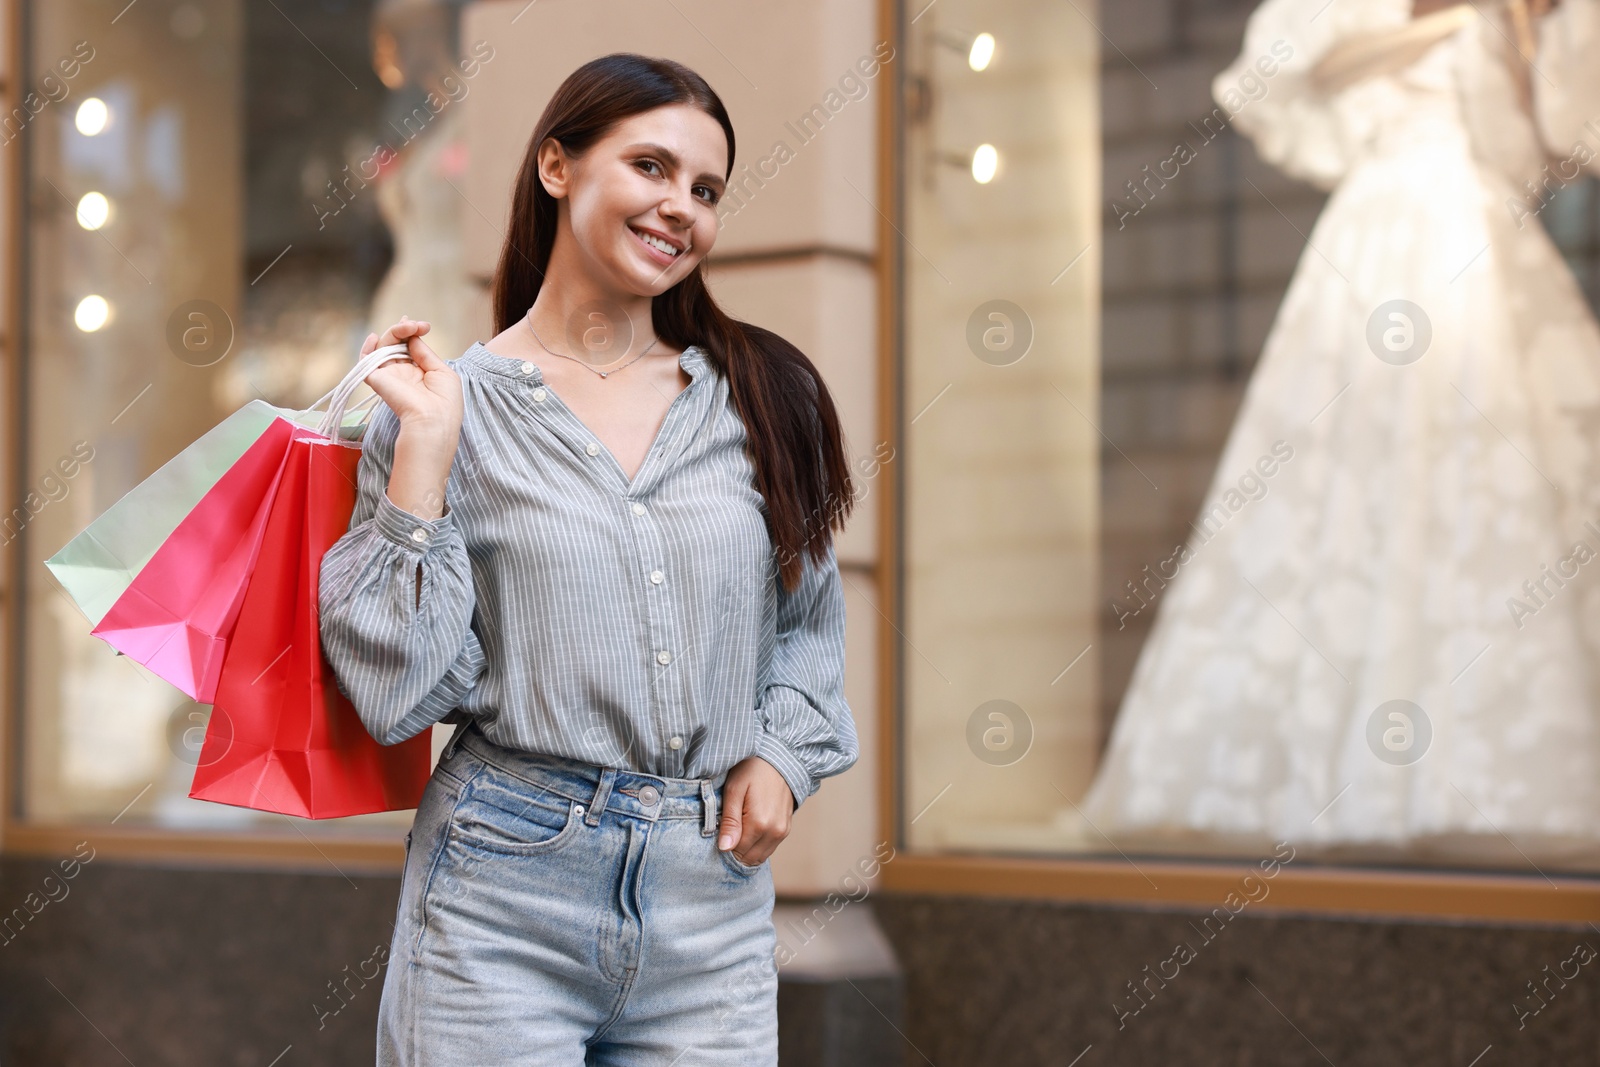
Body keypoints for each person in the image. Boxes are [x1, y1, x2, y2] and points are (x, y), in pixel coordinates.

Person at [317, 52, 861, 1065]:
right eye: (649, 166)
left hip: (711, 903)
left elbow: (807, 625)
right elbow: (394, 692)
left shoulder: (763, 397)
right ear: (557, 168)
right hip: (499, 894)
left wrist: (783, 756)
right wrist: (425, 458)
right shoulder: (445, 409)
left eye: (704, 189)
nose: (679, 207)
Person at [1078, 0, 1600, 868]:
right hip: (1384, 250)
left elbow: (1562, 135)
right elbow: (1280, 75)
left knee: (1474, 483)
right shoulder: (1363, 16)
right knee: (1360, 484)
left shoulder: (1526, 22)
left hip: (1477, 243)